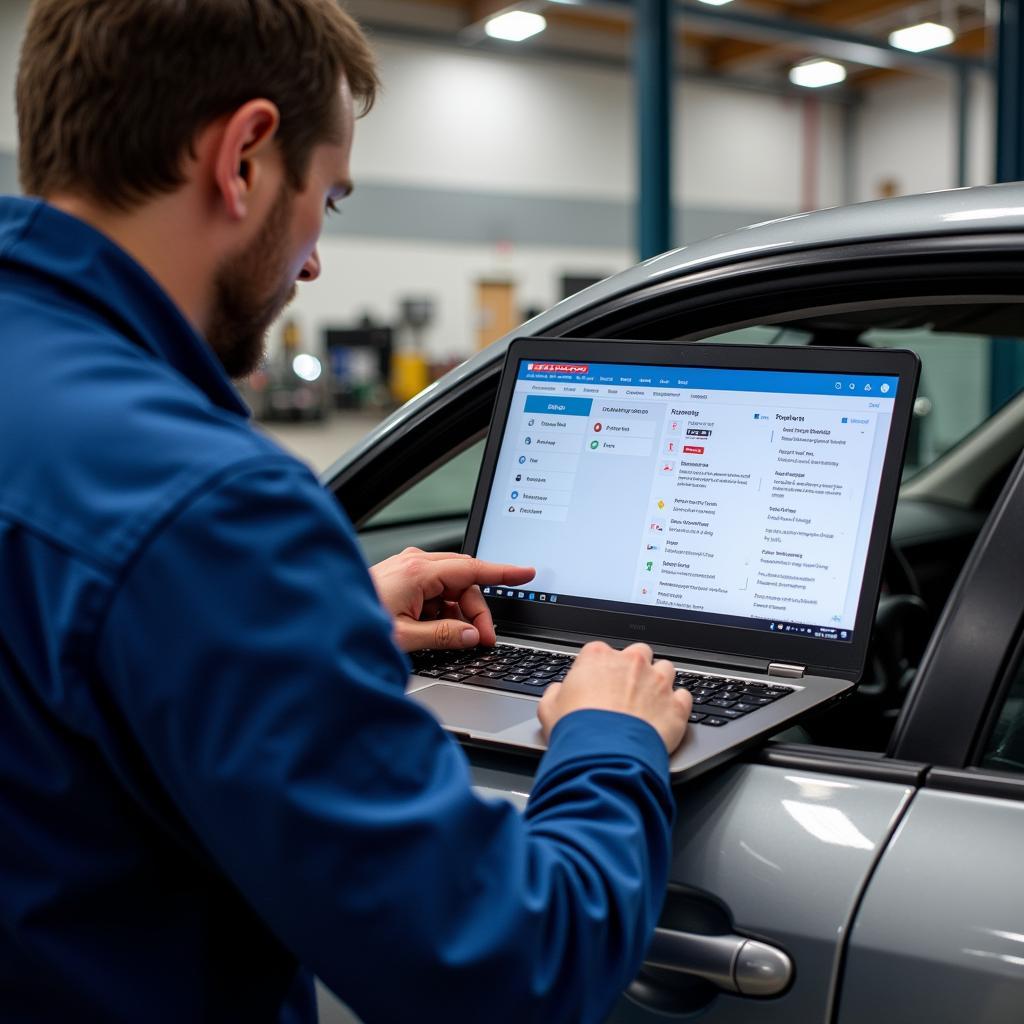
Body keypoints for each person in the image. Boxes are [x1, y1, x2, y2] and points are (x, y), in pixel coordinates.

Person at [0, 2, 693, 1022]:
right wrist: (605, 739)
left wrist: (317, 618)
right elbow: (501, 966)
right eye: (328, 197)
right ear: (242, 157)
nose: (314, 260)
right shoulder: (209, 505)